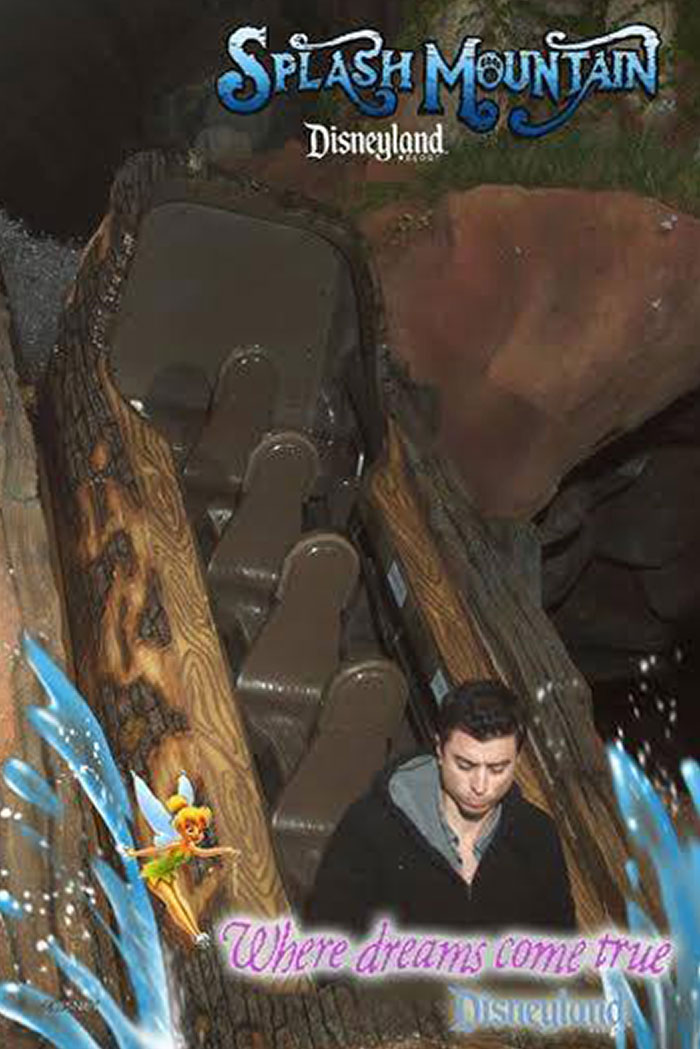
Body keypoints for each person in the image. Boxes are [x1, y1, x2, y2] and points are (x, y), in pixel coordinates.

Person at [305, 680, 576, 935]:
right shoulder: (370, 826)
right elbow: (328, 941)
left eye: (497, 769)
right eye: (465, 765)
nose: (480, 786)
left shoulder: (537, 836)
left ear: (517, 760)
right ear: (439, 750)